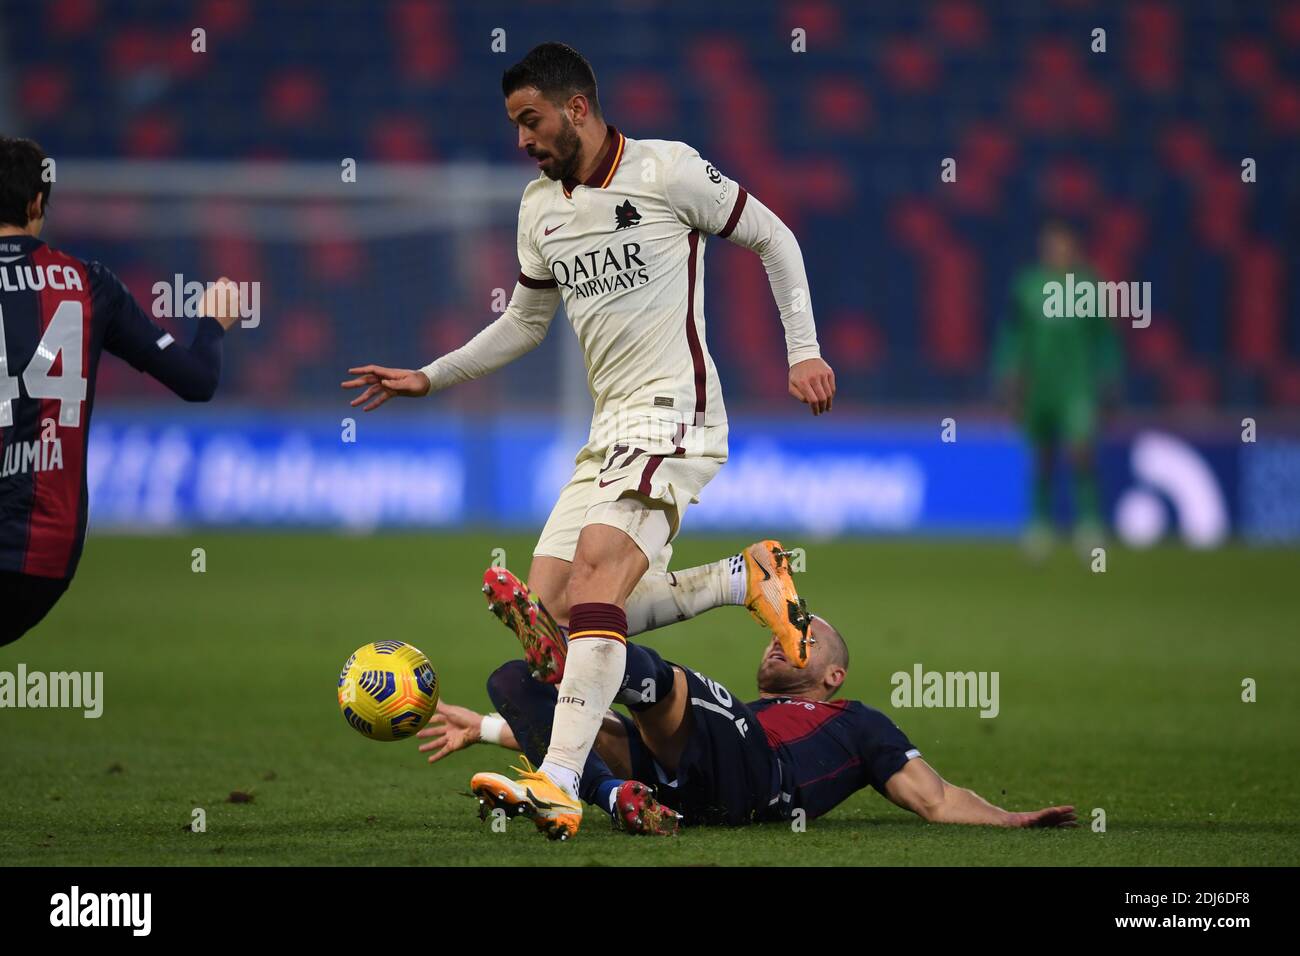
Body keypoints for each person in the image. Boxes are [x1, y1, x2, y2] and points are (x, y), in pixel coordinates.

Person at [342, 42, 835, 839]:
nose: (523, 140)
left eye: (530, 120)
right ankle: (741, 579)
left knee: (597, 581)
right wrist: (430, 376)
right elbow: (525, 323)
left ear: (576, 108)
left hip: (676, 413)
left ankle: (560, 782)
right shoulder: (539, 208)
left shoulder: (668, 171)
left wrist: (803, 349)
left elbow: (776, 239)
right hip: (608, 430)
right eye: (514, 125)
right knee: (557, 615)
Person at [423, 567, 1077, 836]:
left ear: (834, 676)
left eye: (805, 636)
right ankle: (614, 795)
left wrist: (1010, 820)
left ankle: (580, 657)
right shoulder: (748, 707)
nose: (782, 641)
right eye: (779, 633)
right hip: (675, 787)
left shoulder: (858, 723)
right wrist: (484, 730)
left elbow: (935, 798)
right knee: (512, 683)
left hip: (757, 776)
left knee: (673, 687)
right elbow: (582, 729)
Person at [0, 136, 241, 645]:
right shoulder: (90, 285)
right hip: (45, 560)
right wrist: (213, 325)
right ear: (36, 203)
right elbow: (197, 382)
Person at [992, 216, 1123, 559]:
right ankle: (1039, 527)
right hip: (1039, 387)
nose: (1056, 251)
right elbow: (1014, 335)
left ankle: (1090, 525)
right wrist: (1009, 375)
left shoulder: (1088, 285)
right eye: (1051, 245)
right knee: (1042, 456)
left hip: (1077, 386)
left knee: (1081, 451)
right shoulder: (1028, 285)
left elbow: (1104, 337)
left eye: (1062, 244)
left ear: (1073, 248)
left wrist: (1109, 377)